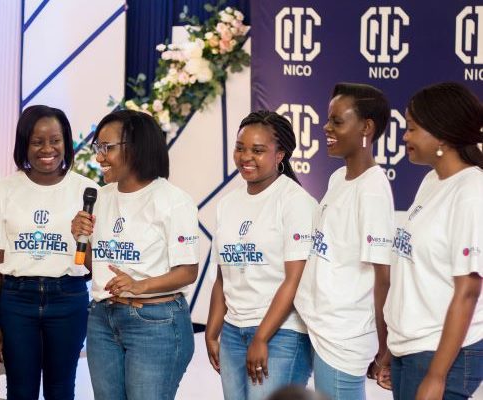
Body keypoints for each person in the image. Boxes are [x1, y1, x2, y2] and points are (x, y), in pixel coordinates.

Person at [72, 109, 199, 400]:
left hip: (154, 322)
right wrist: (79, 237)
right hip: (103, 318)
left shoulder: (173, 201)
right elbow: (96, 267)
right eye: (98, 147)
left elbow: (188, 271)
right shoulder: (101, 197)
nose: (99, 157)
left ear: (136, 147)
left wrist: (140, 285)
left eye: (107, 148)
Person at [0, 105, 97, 400]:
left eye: (55, 140)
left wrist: (82, 238)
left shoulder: (86, 190)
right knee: (20, 390)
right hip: (16, 301)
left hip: (68, 298)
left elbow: (96, 265)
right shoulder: (4, 189)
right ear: (24, 144)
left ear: (66, 142)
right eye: (37, 142)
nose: (47, 149)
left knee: (61, 389)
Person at [205, 110, 316, 400]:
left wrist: (261, 337)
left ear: (280, 155)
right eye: (240, 148)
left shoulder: (296, 202)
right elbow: (223, 277)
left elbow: (294, 280)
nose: (246, 157)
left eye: (257, 150)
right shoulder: (227, 204)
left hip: (282, 334)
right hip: (233, 331)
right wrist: (212, 331)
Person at [294, 82, 394, 400]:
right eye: (328, 119)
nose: (326, 127)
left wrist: (385, 346)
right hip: (319, 325)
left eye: (337, 121)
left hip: (344, 336)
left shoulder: (372, 190)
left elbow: (383, 277)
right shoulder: (338, 178)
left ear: (366, 128)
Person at [384, 82, 483, 400]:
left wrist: (437, 376)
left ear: (441, 135)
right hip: (410, 348)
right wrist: (391, 347)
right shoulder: (431, 180)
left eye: (412, 128)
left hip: (440, 354)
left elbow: (468, 291)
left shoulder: (471, 192)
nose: (405, 137)